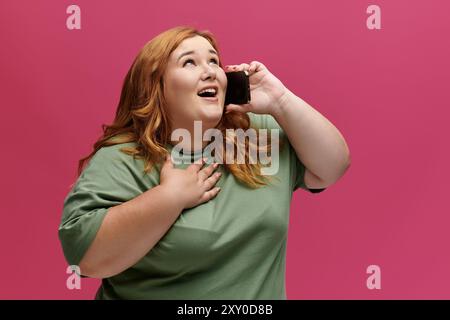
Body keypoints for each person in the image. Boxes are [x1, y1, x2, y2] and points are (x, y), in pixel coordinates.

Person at [58, 26, 351, 300]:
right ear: (155, 85)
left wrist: (281, 100)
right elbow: (86, 257)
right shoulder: (126, 157)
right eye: (189, 63)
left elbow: (331, 167)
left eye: (214, 61)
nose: (210, 71)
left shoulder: (256, 137)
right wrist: (168, 198)